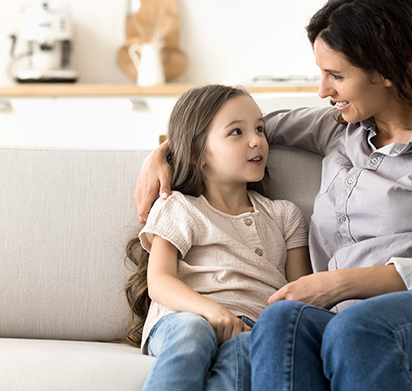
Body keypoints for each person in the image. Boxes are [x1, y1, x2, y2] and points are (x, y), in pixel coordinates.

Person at [135, 0, 412, 390]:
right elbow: (232, 131)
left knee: (355, 328)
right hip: (342, 313)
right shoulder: (339, 128)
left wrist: (340, 283)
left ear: (386, 71)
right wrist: (167, 151)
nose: (323, 90)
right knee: (279, 319)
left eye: (336, 75)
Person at [123, 84, 312, 391]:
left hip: (251, 329)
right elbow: (159, 281)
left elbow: (300, 294)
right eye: (236, 132)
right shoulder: (179, 206)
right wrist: (212, 312)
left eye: (260, 129)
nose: (257, 141)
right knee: (193, 332)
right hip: (184, 318)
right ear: (197, 154)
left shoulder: (284, 215)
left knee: (246, 352)